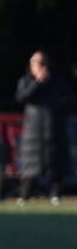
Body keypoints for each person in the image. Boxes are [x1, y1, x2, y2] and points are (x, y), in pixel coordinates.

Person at [15, 50, 74, 205]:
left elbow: (70, 101)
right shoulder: (26, 81)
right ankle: (24, 195)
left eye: (42, 62)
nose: (39, 66)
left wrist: (59, 116)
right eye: (35, 62)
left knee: (56, 163)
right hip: (32, 131)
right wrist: (37, 83)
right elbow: (21, 98)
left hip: (54, 129)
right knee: (30, 166)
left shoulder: (59, 81)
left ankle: (56, 194)